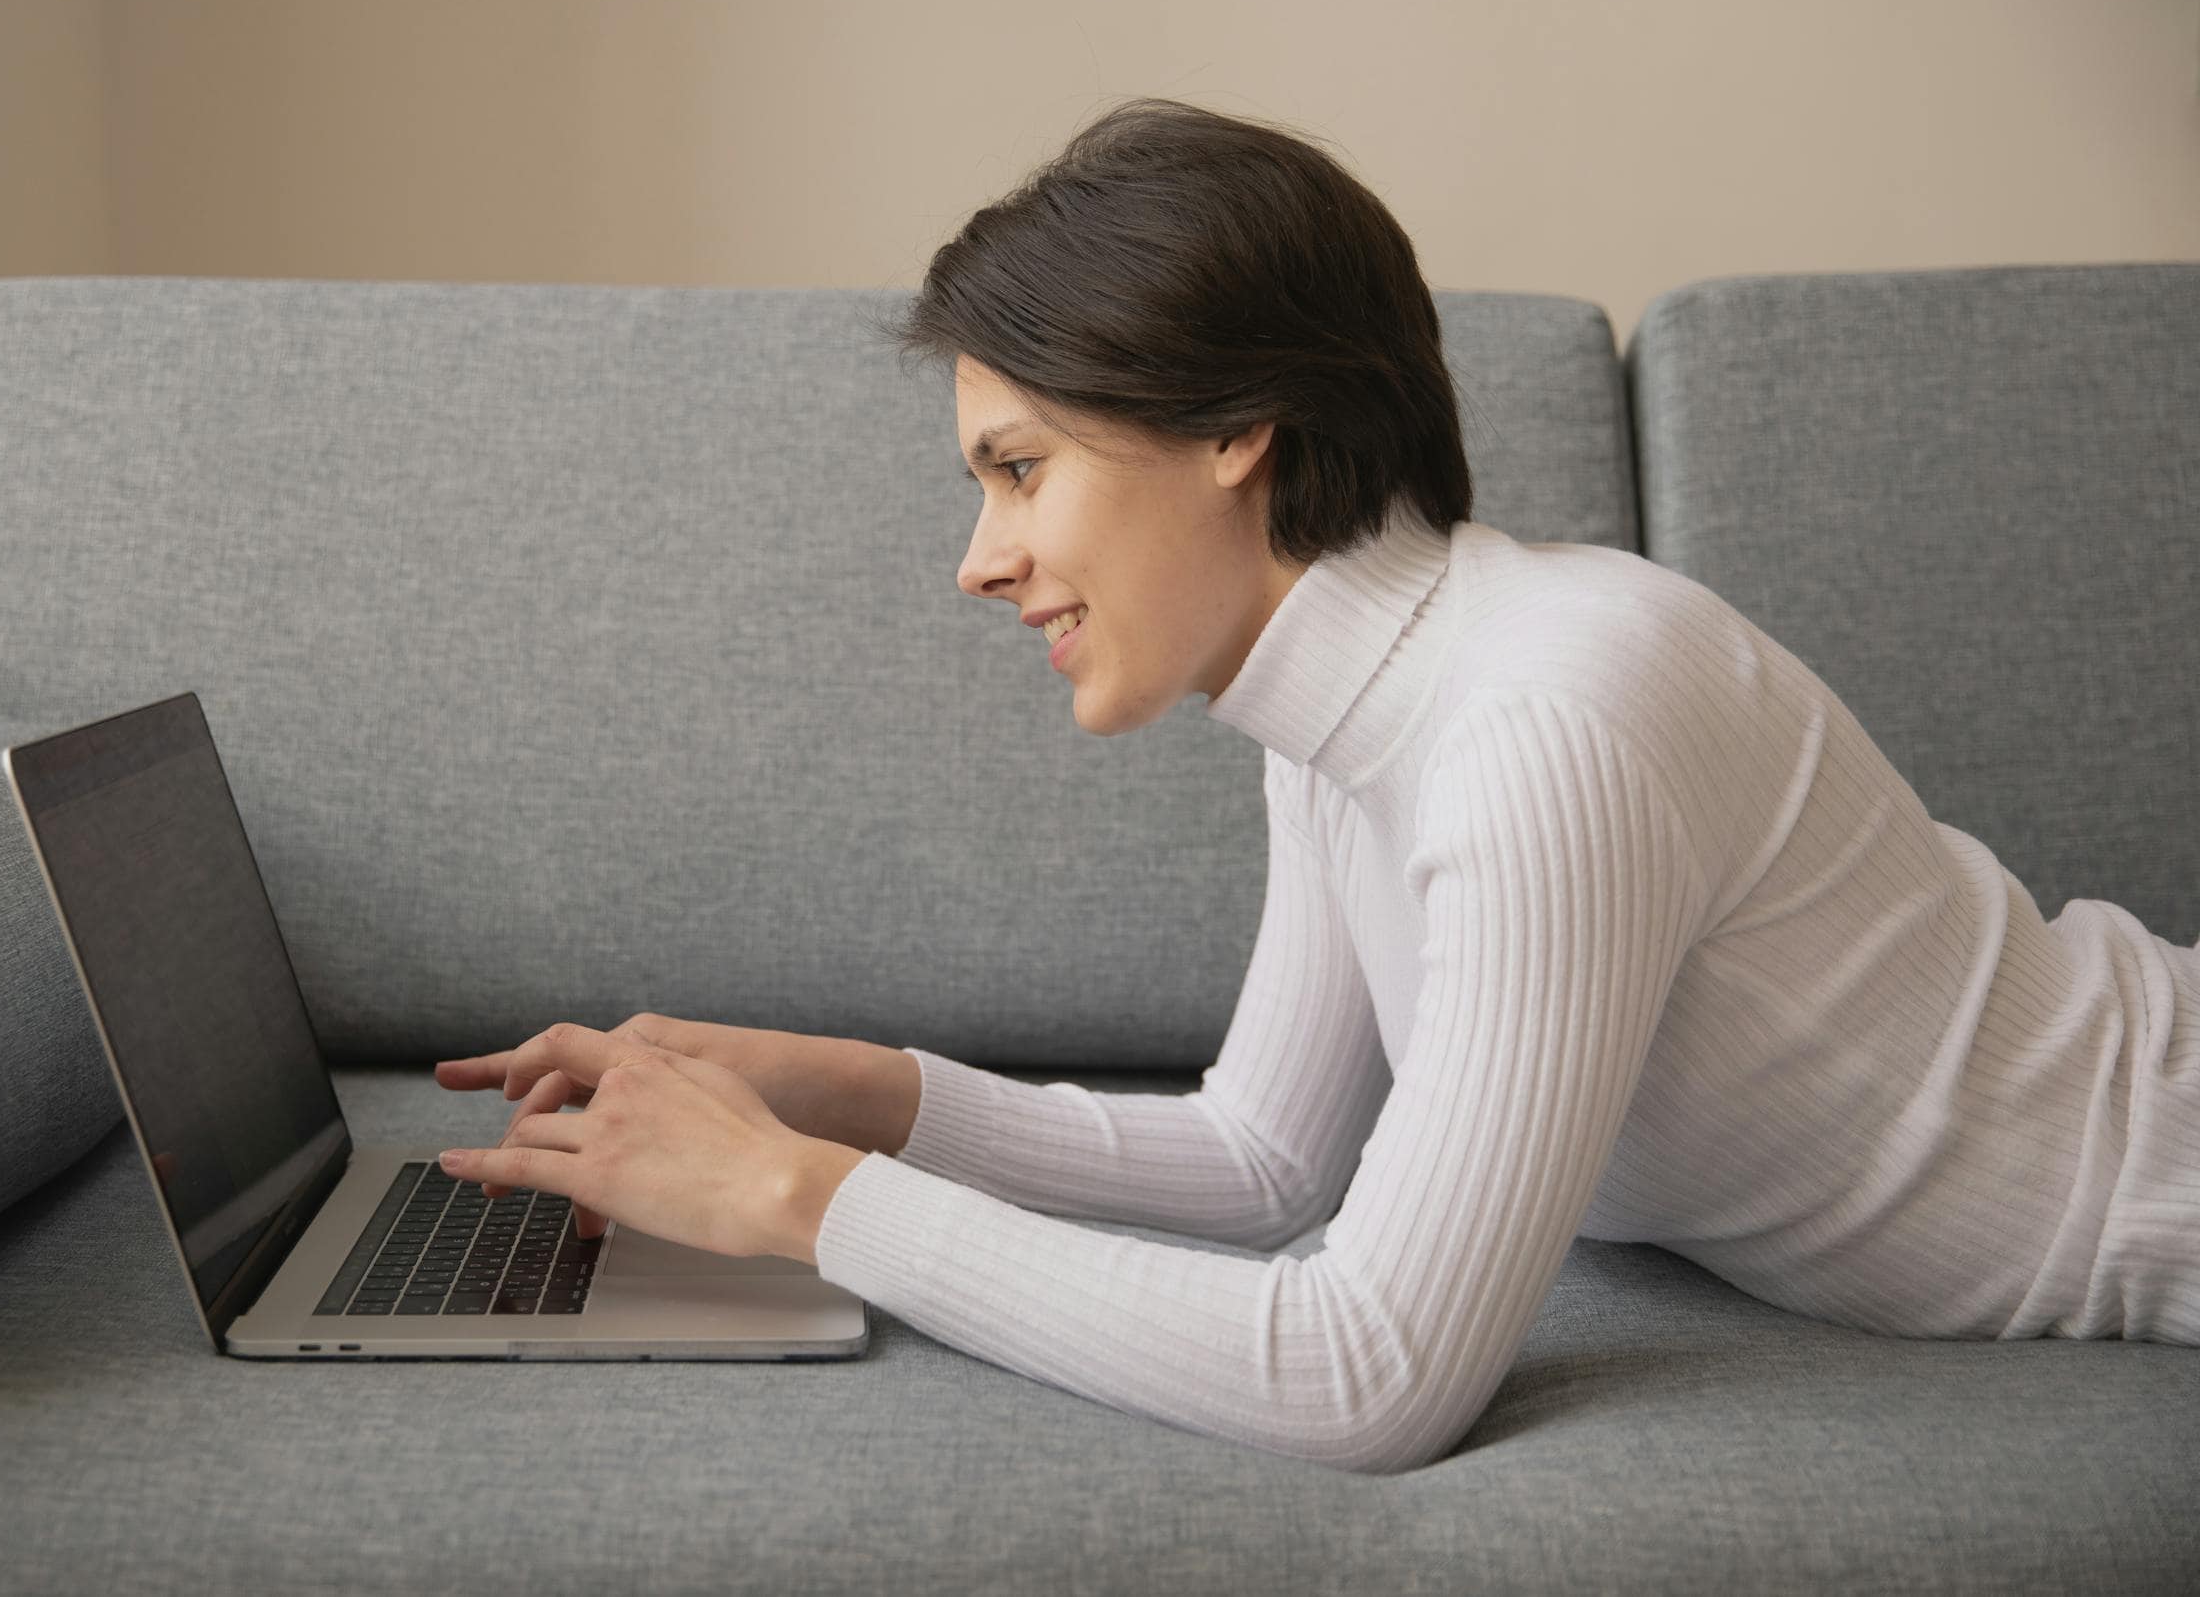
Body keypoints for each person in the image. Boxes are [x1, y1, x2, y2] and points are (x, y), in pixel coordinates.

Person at [431, 97, 2200, 1475]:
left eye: (1022, 468)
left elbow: (1375, 1374)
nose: (983, 559)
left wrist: (797, 1202)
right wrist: (841, 1093)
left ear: (1231, 425)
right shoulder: (1352, 717)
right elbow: (1269, 1160)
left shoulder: (1541, 725)